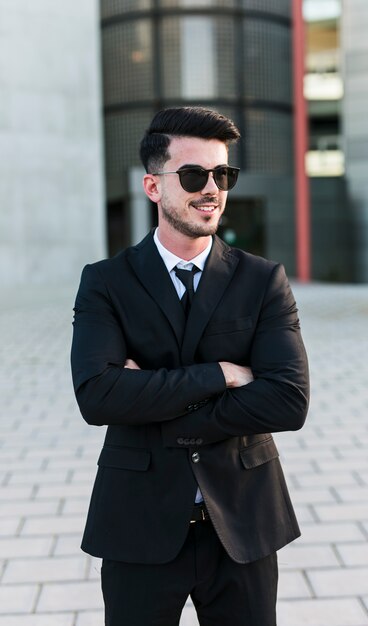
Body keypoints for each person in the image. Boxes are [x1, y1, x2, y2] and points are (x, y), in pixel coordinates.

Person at [71, 106, 309, 626]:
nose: (212, 189)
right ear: (153, 187)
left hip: (243, 522)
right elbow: (97, 396)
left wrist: (152, 402)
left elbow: (288, 401)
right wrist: (220, 374)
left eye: (223, 174)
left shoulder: (262, 280)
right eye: (195, 175)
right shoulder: (105, 283)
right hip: (139, 520)